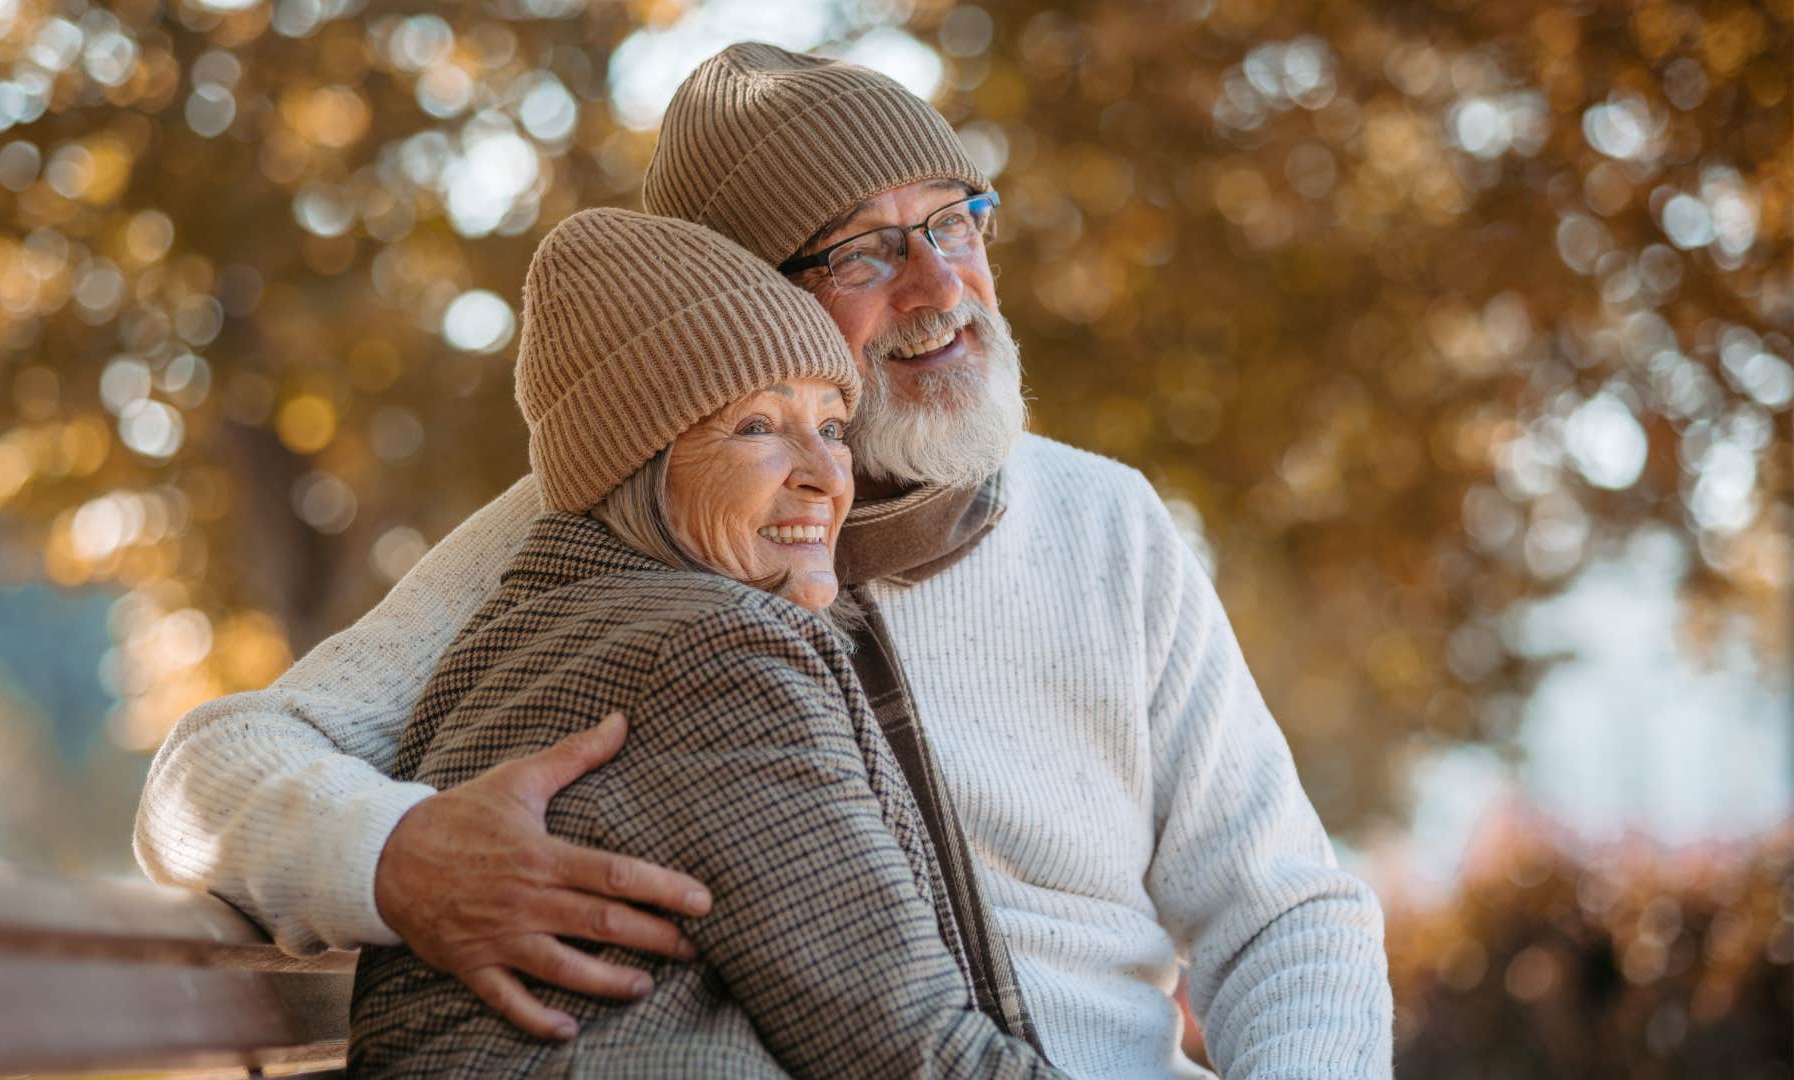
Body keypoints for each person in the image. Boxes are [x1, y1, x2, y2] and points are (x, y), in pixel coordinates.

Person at [137, 43, 1394, 1078]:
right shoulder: (590, 533)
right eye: (859, 250)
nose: (937, 285)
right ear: (752, 311)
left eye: (954, 222)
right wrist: (400, 858)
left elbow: (1284, 908)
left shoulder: (1106, 527)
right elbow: (207, 772)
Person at [348, 206, 1058, 1077]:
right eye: (757, 427)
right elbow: (917, 1057)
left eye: (833, 426)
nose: (826, 473)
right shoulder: (713, 651)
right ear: (638, 460)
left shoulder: (529, 628)